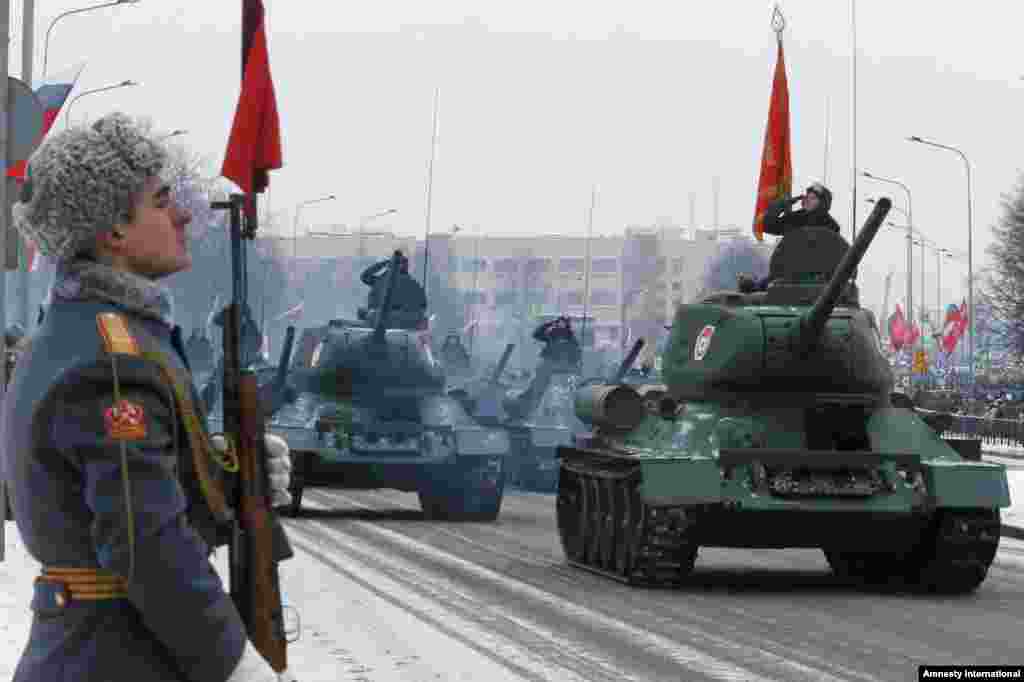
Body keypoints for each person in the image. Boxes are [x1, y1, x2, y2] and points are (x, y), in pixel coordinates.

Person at [0, 113, 294, 682]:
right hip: (116, 657)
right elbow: (147, 547)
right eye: (161, 201)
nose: (182, 214)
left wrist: (226, 469)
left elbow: (127, 494)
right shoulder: (114, 359)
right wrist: (237, 668)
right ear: (113, 231)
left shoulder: (95, 335)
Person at [359, 250, 428, 329]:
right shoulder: (382, 280)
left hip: (385, 320)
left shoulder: (410, 283)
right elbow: (422, 306)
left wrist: (384, 263)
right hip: (381, 319)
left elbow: (365, 276)